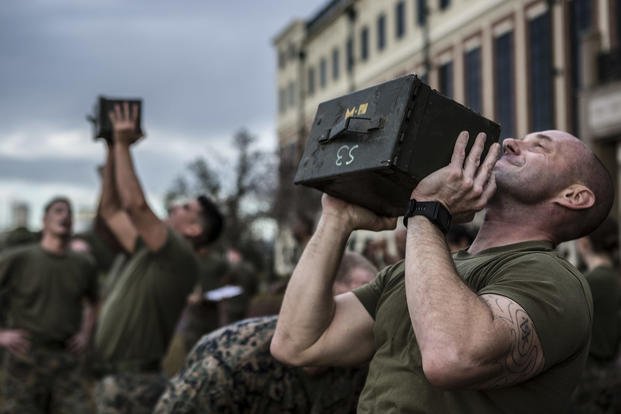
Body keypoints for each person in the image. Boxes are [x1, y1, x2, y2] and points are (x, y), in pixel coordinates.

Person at [271, 130, 614, 413]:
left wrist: (428, 213)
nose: (510, 142)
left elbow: (452, 357)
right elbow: (298, 343)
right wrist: (336, 219)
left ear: (574, 195)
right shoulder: (417, 270)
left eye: (538, 146)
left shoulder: (555, 278)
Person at [93, 103, 224, 413]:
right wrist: (112, 146)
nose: (175, 207)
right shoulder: (149, 251)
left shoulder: (179, 256)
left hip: (136, 384)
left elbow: (135, 206)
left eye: (185, 208)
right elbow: (111, 211)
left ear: (193, 229)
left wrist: (124, 145)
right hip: (117, 379)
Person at [154, 251, 377, 413]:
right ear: (315, 298)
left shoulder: (368, 365)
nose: (367, 313)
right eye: (359, 298)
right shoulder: (231, 356)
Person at [0, 196, 99, 413]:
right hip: (26, 356)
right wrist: (2, 334)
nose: (65, 216)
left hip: (66, 358)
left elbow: (94, 302)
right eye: (58, 211)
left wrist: (84, 334)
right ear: (44, 219)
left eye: (69, 213)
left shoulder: (83, 264)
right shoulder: (20, 259)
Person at [571, 216, 621, 412]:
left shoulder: (589, 282)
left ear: (584, 243)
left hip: (590, 380)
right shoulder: (613, 277)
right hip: (609, 375)